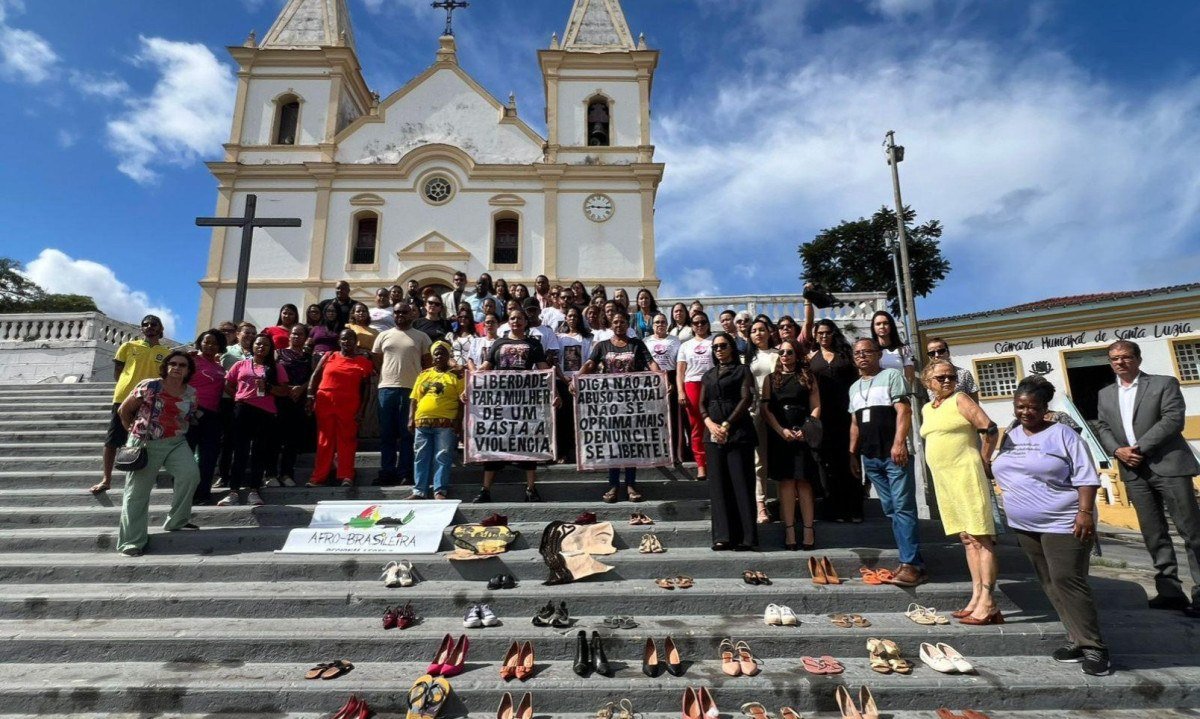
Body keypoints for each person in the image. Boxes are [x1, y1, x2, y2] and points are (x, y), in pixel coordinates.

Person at [991, 376, 1110, 675]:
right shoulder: (1011, 435)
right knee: (1049, 582)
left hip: (1064, 522)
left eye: (1033, 407)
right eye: (1020, 406)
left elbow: (1086, 476)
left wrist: (1084, 513)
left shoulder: (1064, 435)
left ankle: (1095, 648)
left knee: (1068, 580)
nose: (1025, 412)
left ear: (1045, 408)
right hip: (1025, 524)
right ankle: (1076, 639)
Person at [1094, 339, 1200, 618]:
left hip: (1168, 465)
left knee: (1191, 532)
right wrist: (1117, 451)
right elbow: (1102, 426)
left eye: (1126, 357)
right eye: (1114, 358)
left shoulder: (1163, 384)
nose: (1120, 362)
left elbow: (1172, 419)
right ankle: (1169, 591)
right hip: (1133, 471)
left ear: (1138, 359)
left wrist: (1138, 449)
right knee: (1154, 533)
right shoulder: (1105, 394)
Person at [920, 359, 1001, 623]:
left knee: (981, 537)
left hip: (966, 475)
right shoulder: (927, 408)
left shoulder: (961, 399)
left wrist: (985, 459)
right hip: (945, 481)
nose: (947, 381)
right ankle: (976, 595)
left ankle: (988, 601)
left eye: (951, 377)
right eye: (941, 377)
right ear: (927, 382)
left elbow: (989, 428)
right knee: (967, 538)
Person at [849, 338, 924, 586]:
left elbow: (904, 411)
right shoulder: (854, 387)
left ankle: (911, 564)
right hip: (870, 457)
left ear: (878, 354)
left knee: (903, 507)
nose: (862, 356)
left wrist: (899, 442)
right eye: (857, 353)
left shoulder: (891, 376)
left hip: (893, 454)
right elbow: (855, 424)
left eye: (867, 352)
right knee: (891, 510)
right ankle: (911, 560)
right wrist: (852, 453)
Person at [115, 351, 202, 556]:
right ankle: (131, 542)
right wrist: (133, 432)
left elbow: (189, 416)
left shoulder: (191, 392)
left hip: (176, 442)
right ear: (166, 366)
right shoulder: (150, 385)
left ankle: (177, 520)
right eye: (173, 363)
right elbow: (123, 411)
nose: (177, 368)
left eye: (182, 365)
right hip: (147, 442)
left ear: (188, 370)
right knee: (137, 494)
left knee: (190, 475)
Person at [575, 310, 665, 502]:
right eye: (615, 321)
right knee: (613, 442)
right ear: (610, 323)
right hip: (610, 405)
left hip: (633, 404)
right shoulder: (602, 346)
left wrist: (662, 378)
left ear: (627, 324)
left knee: (631, 443)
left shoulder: (637, 344)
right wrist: (576, 378)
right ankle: (613, 485)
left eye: (622, 322)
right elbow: (590, 364)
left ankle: (631, 484)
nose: (619, 325)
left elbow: (651, 364)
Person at [475, 308, 557, 503]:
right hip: (501, 403)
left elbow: (544, 370)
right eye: (512, 318)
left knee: (528, 445)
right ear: (508, 322)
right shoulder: (498, 343)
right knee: (493, 444)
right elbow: (486, 367)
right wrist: (469, 386)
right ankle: (485, 490)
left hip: (526, 402)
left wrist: (555, 391)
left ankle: (531, 489)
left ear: (525, 322)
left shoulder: (533, 344)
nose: (516, 321)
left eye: (520, 318)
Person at [92, 315, 172, 495]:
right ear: (141, 328)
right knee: (113, 438)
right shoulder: (128, 346)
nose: (150, 327)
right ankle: (106, 478)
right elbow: (118, 372)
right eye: (146, 324)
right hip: (124, 397)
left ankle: (144, 477)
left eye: (154, 324)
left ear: (161, 329)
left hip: (151, 400)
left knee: (147, 439)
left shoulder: (167, 353)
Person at [699, 332, 757, 551]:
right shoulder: (708, 375)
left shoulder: (743, 371)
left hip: (738, 432)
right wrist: (710, 424)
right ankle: (722, 536)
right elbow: (702, 403)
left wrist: (726, 424)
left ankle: (747, 537)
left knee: (741, 484)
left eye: (723, 346)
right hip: (712, 434)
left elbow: (746, 399)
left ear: (732, 347)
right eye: (715, 347)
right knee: (718, 487)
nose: (719, 350)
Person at [761, 339, 821, 551]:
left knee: (804, 483)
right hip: (781, 434)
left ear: (797, 355)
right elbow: (766, 409)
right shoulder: (771, 379)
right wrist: (780, 430)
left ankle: (807, 529)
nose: (785, 355)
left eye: (789, 352)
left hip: (803, 432)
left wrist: (807, 429)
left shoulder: (808, 377)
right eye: (782, 352)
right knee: (786, 484)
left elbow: (815, 406)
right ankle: (789, 530)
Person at [220, 334, 290, 506]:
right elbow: (227, 383)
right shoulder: (240, 364)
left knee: (259, 453)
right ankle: (233, 491)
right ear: (252, 346)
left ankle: (254, 490)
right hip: (243, 410)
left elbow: (285, 391)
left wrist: (269, 387)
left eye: (266, 345)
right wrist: (239, 396)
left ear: (270, 348)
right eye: (258, 344)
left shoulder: (276, 367)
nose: (261, 347)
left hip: (265, 413)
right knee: (240, 452)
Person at [808, 319, 862, 522]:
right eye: (820, 333)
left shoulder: (846, 356)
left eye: (827, 332)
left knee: (850, 459)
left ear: (833, 333)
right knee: (828, 465)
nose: (824, 336)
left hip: (847, 415)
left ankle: (855, 509)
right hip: (824, 418)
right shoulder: (812, 358)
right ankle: (835, 510)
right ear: (815, 335)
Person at [306, 329, 375, 487]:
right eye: (343, 339)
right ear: (339, 341)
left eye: (350, 339)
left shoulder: (363, 361)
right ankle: (319, 477)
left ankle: (346, 475)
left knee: (347, 440)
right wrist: (310, 395)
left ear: (355, 341)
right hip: (325, 401)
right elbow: (315, 376)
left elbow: (366, 389)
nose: (346, 342)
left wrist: (362, 410)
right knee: (325, 440)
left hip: (349, 404)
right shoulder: (329, 356)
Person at [373, 303, 432, 486]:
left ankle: (405, 472)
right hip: (387, 389)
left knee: (408, 434)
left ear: (412, 314)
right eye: (396, 312)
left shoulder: (422, 337)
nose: (399, 315)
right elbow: (377, 360)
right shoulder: (383, 335)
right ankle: (387, 472)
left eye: (403, 312)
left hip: (411, 391)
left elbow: (427, 363)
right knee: (387, 434)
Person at [408, 341, 464, 500]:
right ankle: (419, 491)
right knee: (420, 456)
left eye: (442, 353)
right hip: (422, 422)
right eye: (436, 353)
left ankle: (439, 490)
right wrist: (411, 418)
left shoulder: (456, 376)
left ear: (448, 356)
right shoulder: (423, 374)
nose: (439, 356)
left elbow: (462, 401)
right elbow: (413, 398)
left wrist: (458, 422)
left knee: (442, 456)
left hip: (445, 424)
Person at [186, 329, 227, 505]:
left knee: (209, 457)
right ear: (200, 343)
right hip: (191, 413)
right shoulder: (191, 360)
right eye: (206, 341)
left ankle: (203, 494)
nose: (210, 345)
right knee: (186, 456)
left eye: (214, 343)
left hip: (212, 416)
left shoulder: (220, 367)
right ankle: (185, 492)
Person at [745, 319, 779, 524]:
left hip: (778, 407)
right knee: (759, 459)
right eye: (754, 331)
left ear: (769, 332)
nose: (758, 333)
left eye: (761, 330)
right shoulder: (747, 358)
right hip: (755, 410)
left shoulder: (778, 353)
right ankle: (761, 504)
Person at [272, 324, 314, 486]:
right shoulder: (278, 353)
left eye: (300, 334)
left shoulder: (307, 357)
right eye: (294, 334)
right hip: (280, 398)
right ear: (289, 336)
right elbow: (271, 373)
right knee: (275, 438)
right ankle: (271, 473)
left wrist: (301, 388)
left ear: (305, 338)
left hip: (298, 400)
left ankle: (286, 474)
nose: (296, 337)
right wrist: (286, 388)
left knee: (292, 439)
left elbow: (312, 376)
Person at [678, 312, 715, 479]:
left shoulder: (715, 341)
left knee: (714, 423)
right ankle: (701, 464)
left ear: (707, 323)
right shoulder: (685, 345)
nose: (699, 325)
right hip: (692, 384)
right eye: (695, 323)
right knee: (696, 426)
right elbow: (680, 371)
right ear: (691, 326)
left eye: (702, 322)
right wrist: (680, 391)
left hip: (713, 383)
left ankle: (714, 462)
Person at [644, 312, 683, 463]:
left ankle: (674, 453)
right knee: (654, 417)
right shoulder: (646, 341)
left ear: (667, 324)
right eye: (657, 322)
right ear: (653, 325)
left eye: (663, 322)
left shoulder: (675, 340)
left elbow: (679, 361)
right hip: (652, 380)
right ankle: (656, 452)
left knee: (672, 417)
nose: (660, 325)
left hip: (671, 376)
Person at [925, 337, 978, 401]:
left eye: (941, 351)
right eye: (932, 353)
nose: (936, 355)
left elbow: (974, 400)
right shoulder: (928, 377)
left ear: (948, 353)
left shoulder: (964, 374)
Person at [871, 310, 915, 387]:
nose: (882, 326)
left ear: (891, 325)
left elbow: (910, 377)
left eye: (885, 323)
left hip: (898, 394)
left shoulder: (904, 350)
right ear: (873, 327)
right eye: (878, 324)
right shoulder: (870, 351)